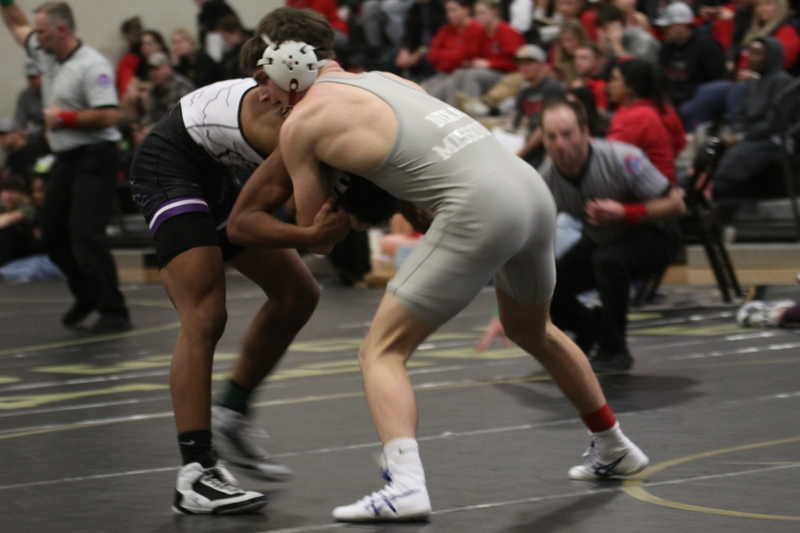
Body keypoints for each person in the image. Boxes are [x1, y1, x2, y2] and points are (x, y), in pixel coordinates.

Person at [228, 6, 650, 523]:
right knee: (533, 329)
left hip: (479, 206)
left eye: (262, 83)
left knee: (380, 350)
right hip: (528, 190)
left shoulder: (302, 123)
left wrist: (340, 197)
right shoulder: (387, 78)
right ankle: (614, 445)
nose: (264, 97)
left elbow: (317, 234)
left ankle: (403, 484)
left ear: (283, 70)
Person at [127, 13, 395, 514]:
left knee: (299, 294)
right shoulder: (291, 120)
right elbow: (285, 223)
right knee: (205, 312)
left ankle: (233, 410)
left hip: (225, 171)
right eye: (260, 85)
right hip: (174, 164)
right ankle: (195, 472)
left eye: (269, 84)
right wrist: (314, 231)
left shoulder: (326, 99)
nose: (267, 94)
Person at [1, 0, 131, 333]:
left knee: (86, 234)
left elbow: (108, 115)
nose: (36, 38)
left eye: (42, 31)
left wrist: (65, 118)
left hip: (96, 155)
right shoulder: (46, 52)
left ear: (62, 30)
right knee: (51, 233)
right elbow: (16, 25)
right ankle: (87, 293)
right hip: (66, 157)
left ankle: (114, 310)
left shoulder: (92, 65)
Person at [541, 98, 686, 372]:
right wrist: (506, 309)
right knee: (547, 288)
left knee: (608, 261)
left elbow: (676, 204)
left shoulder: (621, 159)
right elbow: (528, 242)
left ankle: (615, 348)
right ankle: (591, 326)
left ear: (585, 133)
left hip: (655, 234)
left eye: (567, 134)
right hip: (603, 238)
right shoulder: (546, 179)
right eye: (552, 137)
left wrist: (625, 212)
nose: (560, 145)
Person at [710, 37, 798, 199]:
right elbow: (740, 115)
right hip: (749, 136)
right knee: (713, 147)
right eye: (750, 52)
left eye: (757, 53)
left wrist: (742, 136)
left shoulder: (783, 82)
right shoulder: (752, 83)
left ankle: (718, 189)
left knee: (738, 159)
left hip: (773, 139)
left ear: (770, 56)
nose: (751, 57)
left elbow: (775, 122)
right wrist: (738, 133)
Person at [605, 58, 686, 184]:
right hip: (653, 181)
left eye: (614, 79)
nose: (609, 85)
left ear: (630, 87)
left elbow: (608, 158)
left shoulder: (639, 116)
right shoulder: (636, 109)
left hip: (653, 189)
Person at [657, 1, 727, 110]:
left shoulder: (706, 46)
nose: (664, 30)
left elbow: (718, 81)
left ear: (683, 25)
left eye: (668, 26)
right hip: (673, 99)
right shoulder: (666, 49)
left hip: (699, 100)